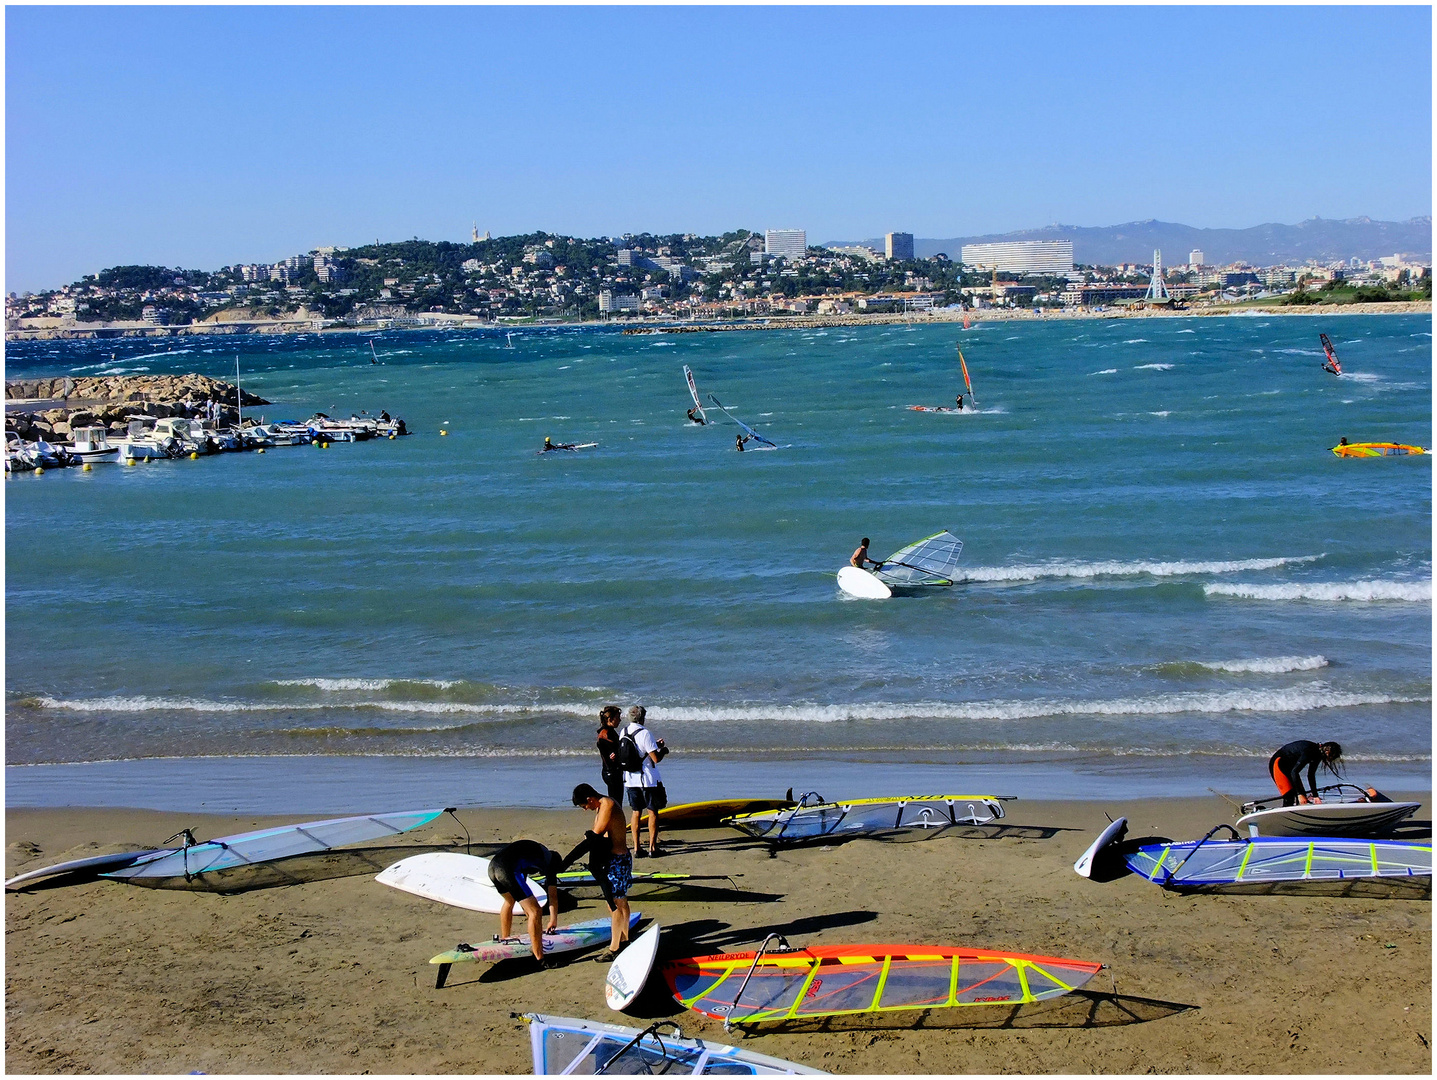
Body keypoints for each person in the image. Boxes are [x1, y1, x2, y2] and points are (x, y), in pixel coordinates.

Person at [570, 783, 632, 959]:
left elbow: (596, 836)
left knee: (615, 904)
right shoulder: (602, 806)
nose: (585, 809)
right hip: (614, 859)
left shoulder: (607, 805)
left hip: (618, 861)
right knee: (620, 901)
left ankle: (614, 948)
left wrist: (569, 859)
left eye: (584, 806)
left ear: (590, 799)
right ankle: (625, 938)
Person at [486, 839, 563, 967]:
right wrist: (553, 920)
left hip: (492, 867)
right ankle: (540, 958)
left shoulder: (535, 853)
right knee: (536, 911)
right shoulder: (550, 861)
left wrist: (532, 917)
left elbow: (522, 894)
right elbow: (553, 896)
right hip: (506, 869)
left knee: (510, 900)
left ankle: (506, 940)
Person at [620, 705, 668, 858]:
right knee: (653, 812)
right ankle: (653, 848)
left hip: (630, 779)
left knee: (636, 813)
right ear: (642, 718)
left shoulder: (623, 732)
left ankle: (636, 848)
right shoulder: (645, 733)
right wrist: (663, 750)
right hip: (647, 780)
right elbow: (655, 758)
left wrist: (655, 746)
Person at [1268, 740, 1343, 806]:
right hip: (1278, 764)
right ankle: (1283, 819)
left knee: (1302, 798)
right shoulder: (1310, 751)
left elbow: (1311, 775)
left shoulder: (1318, 754)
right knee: (1290, 796)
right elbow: (1294, 772)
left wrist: (1315, 796)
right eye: (1332, 756)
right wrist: (1299, 794)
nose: (1331, 759)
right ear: (1327, 751)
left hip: (1289, 769)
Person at [595, 705, 624, 804]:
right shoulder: (606, 734)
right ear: (610, 719)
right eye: (618, 718)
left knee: (616, 801)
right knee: (616, 802)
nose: (620, 720)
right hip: (612, 773)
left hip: (611, 771)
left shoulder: (608, 731)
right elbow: (613, 753)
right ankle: (614, 818)